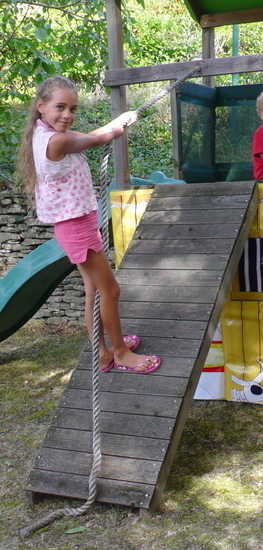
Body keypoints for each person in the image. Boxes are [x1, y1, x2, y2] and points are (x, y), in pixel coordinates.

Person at [17, 75, 161, 374]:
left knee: (95, 292)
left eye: (73, 108)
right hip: (76, 228)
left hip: (76, 225)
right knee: (111, 291)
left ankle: (103, 353)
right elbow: (97, 139)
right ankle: (120, 353)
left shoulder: (44, 132)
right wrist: (121, 122)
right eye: (60, 107)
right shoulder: (58, 140)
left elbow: (90, 134)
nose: (67, 115)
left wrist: (115, 123)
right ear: (41, 106)